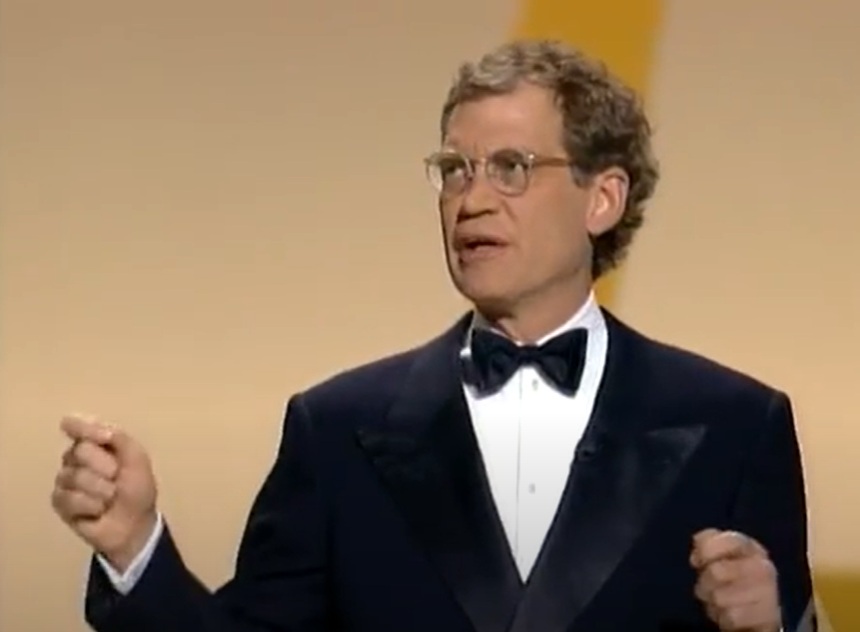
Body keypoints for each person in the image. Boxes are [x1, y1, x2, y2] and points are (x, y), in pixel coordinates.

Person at [51, 39, 813, 632]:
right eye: (453, 169)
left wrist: (774, 626)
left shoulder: (737, 426)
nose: (471, 199)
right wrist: (134, 548)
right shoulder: (338, 429)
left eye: (511, 167)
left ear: (603, 198)